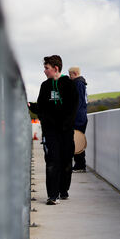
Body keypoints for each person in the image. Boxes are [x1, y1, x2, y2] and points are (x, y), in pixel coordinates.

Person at [28, 55, 78, 205]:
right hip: (50, 131)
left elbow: (73, 107)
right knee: (52, 161)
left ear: (56, 68)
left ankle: (63, 190)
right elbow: (41, 107)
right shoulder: (45, 86)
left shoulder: (69, 84)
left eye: (46, 68)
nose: (44, 71)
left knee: (66, 162)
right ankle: (52, 195)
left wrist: (66, 125)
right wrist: (31, 106)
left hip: (66, 131)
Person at [69, 66, 88, 172]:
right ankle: (80, 164)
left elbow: (79, 102)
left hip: (78, 118)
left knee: (78, 141)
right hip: (81, 116)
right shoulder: (81, 83)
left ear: (75, 73)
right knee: (77, 140)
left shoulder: (78, 83)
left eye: (70, 74)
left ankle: (80, 165)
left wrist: (73, 116)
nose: (69, 77)